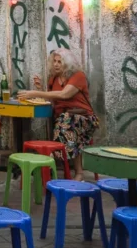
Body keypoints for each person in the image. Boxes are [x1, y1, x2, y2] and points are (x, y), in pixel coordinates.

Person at [15, 49, 97, 180]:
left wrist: (34, 93)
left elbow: (64, 94)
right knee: (66, 122)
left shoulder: (78, 76)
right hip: (64, 120)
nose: (56, 64)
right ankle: (76, 171)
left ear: (68, 64)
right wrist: (40, 89)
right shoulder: (53, 79)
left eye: (60, 61)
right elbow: (53, 101)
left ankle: (52, 158)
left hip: (84, 118)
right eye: (54, 61)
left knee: (67, 121)